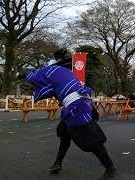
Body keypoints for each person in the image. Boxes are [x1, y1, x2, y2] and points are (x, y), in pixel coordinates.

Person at [21, 50, 116, 179]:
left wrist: (23, 74)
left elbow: (36, 77)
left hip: (75, 107)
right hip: (78, 103)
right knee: (65, 135)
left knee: (90, 138)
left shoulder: (52, 71)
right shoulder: (68, 72)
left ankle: (110, 167)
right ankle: (58, 163)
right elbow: (54, 90)